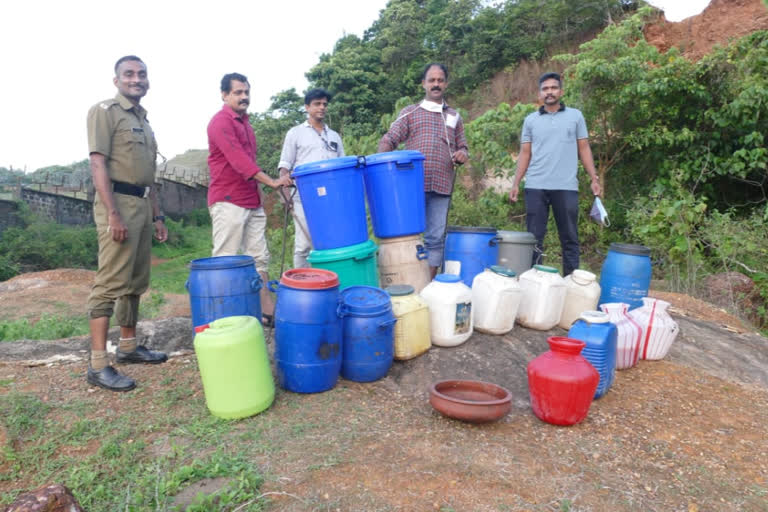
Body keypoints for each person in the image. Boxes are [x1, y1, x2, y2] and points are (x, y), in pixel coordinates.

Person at [85, 55, 169, 392]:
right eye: (129, 74)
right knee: (110, 282)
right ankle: (97, 364)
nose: (137, 79)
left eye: (142, 74)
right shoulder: (104, 112)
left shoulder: (144, 122)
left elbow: (149, 176)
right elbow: (97, 164)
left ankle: (129, 346)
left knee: (135, 280)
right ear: (117, 80)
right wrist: (113, 213)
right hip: (116, 203)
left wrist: (158, 215)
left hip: (142, 204)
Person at [207, 73, 292, 324]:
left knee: (259, 257)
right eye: (237, 92)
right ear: (224, 95)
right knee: (226, 258)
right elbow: (239, 161)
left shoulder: (246, 124)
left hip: (251, 199)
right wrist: (273, 183)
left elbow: (248, 162)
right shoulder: (220, 122)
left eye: (246, 92)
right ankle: (223, 318)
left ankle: (268, 312)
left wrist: (262, 191)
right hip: (228, 198)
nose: (244, 97)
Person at [377, 63, 469, 278]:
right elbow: (389, 140)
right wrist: (381, 172)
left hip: (442, 185)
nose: (436, 84)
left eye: (440, 80)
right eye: (431, 80)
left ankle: (426, 285)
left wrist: (463, 154)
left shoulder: (454, 116)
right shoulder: (410, 112)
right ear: (423, 84)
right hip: (411, 186)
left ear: (446, 83)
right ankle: (406, 281)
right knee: (408, 237)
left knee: (435, 238)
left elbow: (463, 145)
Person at [508, 72, 602, 276]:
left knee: (569, 237)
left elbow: (584, 148)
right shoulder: (530, 120)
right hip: (535, 186)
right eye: (545, 89)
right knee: (534, 238)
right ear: (539, 94)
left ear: (561, 91)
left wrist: (593, 178)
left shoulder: (575, 116)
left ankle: (571, 282)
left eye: (553, 88)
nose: (549, 92)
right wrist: (516, 182)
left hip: (566, 186)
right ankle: (533, 281)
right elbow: (525, 153)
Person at [278, 88, 345, 268]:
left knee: (330, 241)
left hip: (331, 199)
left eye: (324, 104)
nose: (321, 107)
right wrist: (285, 195)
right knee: (304, 245)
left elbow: (342, 167)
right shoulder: (295, 133)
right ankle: (301, 287)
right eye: (317, 104)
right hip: (303, 198)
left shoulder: (334, 136)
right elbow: (284, 166)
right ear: (307, 107)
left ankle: (327, 281)